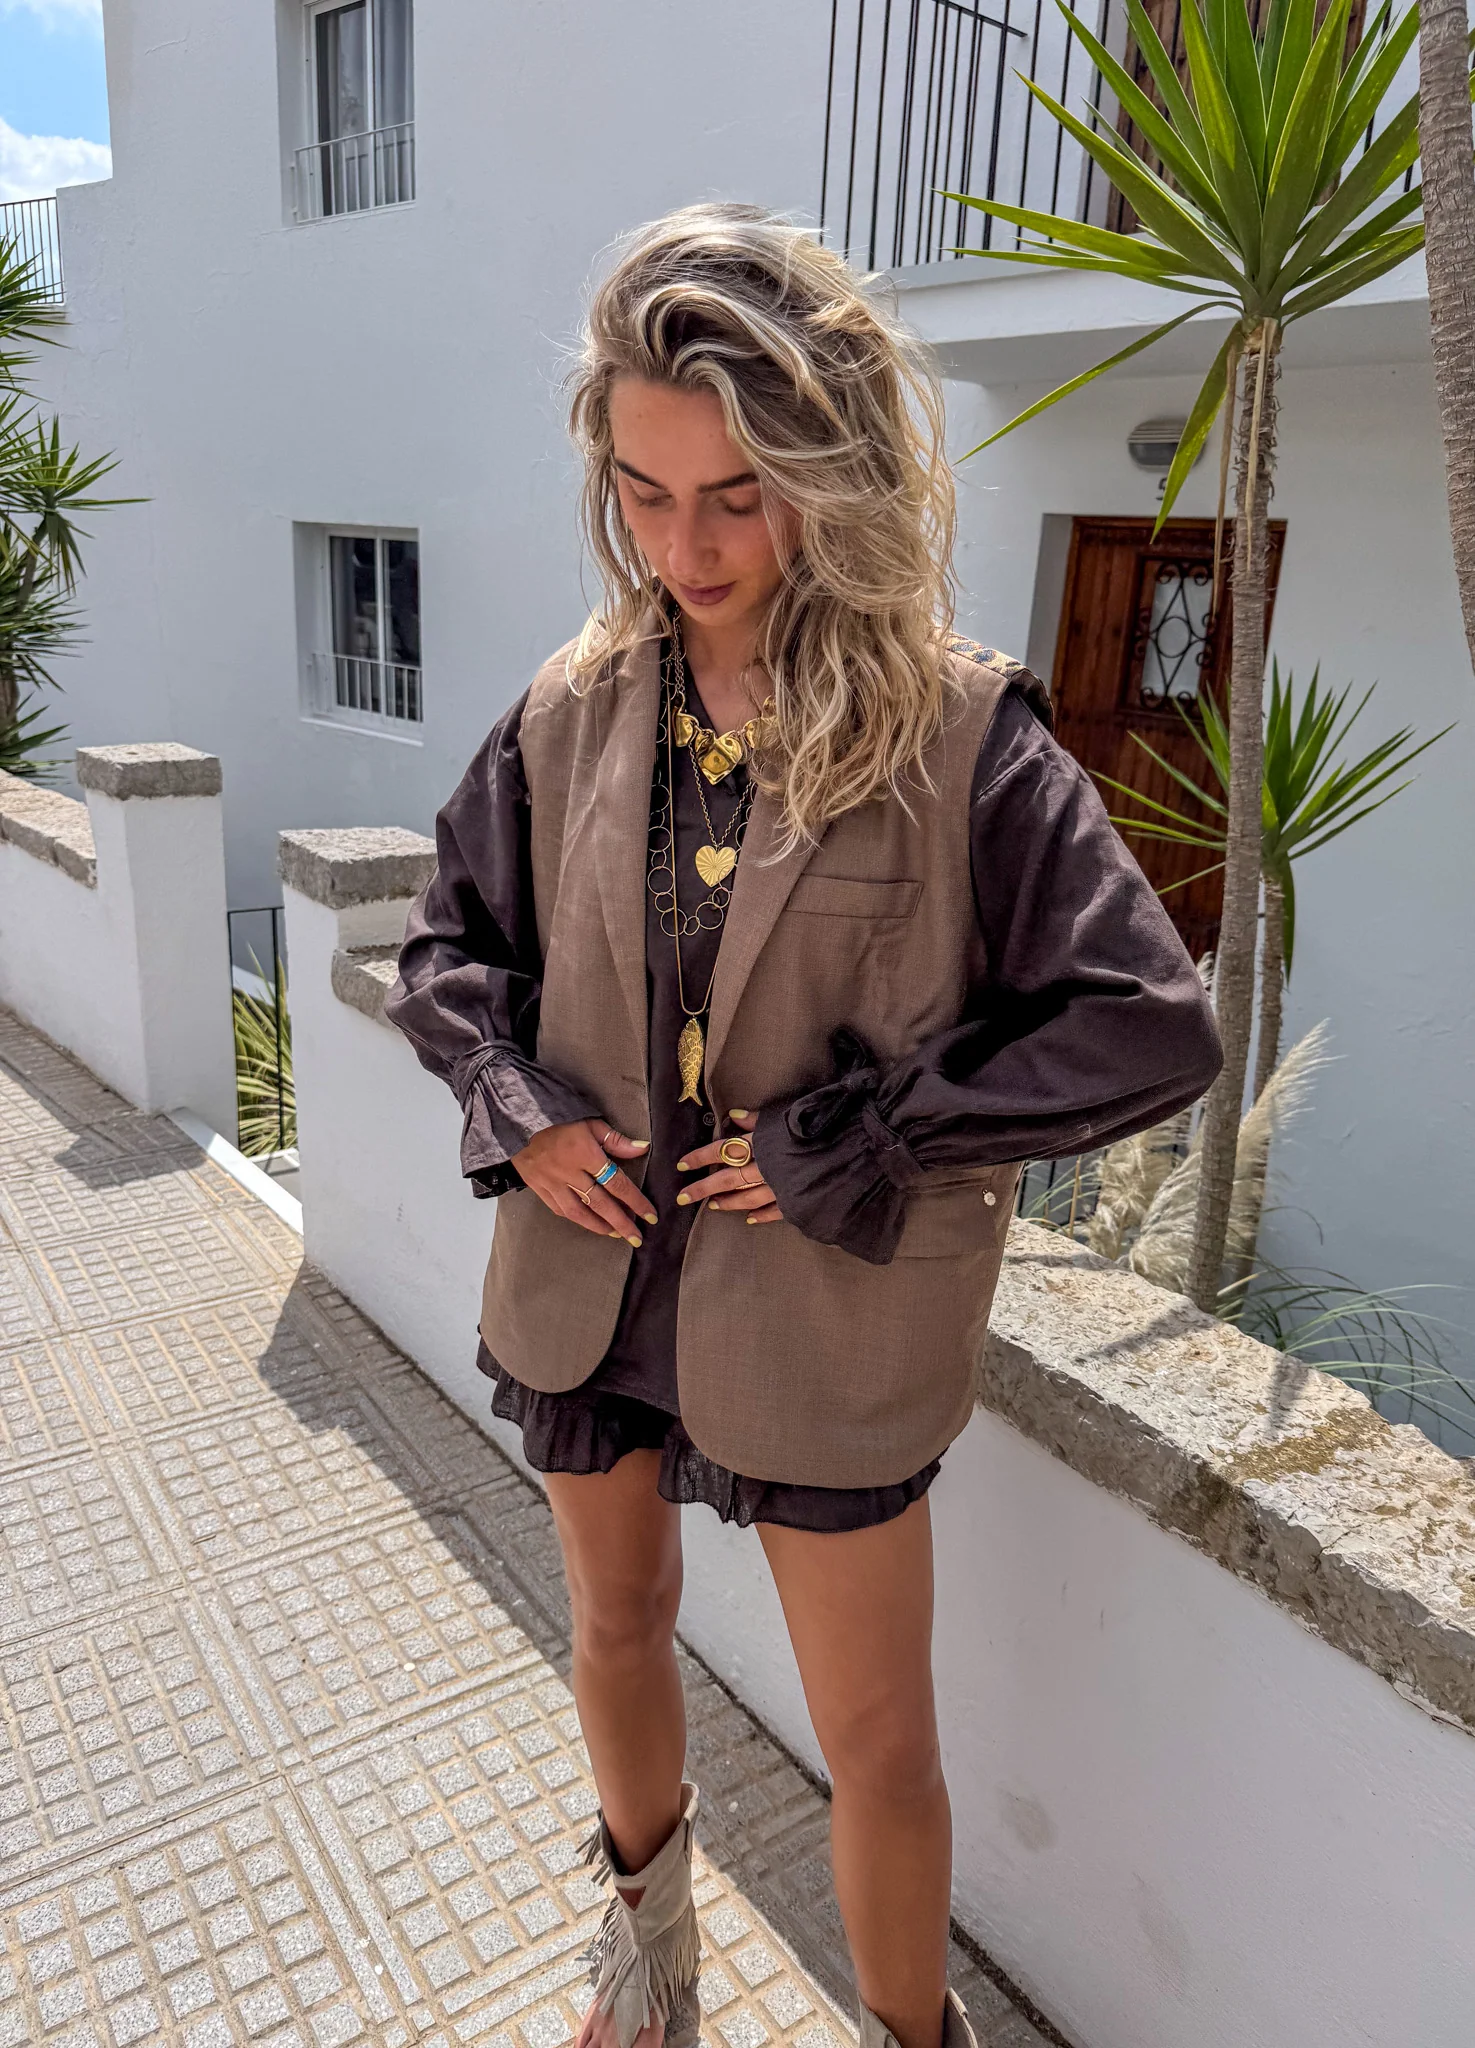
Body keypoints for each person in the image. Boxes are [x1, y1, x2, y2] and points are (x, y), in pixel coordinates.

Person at [386, 203, 1221, 2048]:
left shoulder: (961, 736)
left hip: (827, 1318)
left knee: (878, 1742)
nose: (682, 548)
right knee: (615, 1627)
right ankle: (649, 1961)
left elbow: (1148, 1027)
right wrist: (521, 1111)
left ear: (829, 478)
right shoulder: (567, 711)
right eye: (642, 493)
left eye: (735, 499)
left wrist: (859, 1138)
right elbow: (447, 948)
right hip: (592, 1282)